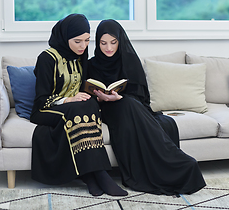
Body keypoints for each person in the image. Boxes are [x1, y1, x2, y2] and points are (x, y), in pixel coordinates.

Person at [87, 19, 206, 195]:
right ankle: (175, 162)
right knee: (128, 105)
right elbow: (88, 93)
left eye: (113, 43)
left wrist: (119, 97)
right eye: (103, 43)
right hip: (107, 110)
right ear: (98, 43)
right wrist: (101, 98)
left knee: (132, 105)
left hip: (129, 106)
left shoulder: (129, 60)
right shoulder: (91, 64)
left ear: (120, 41)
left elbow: (141, 95)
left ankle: (176, 163)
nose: (108, 48)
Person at [30, 14, 127, 197]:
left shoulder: (80, 56)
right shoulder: (47, 58)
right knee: (77, 108)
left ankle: (90, 174)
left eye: (87, 41)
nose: (83, 46)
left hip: (74, 108)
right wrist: (68, 100)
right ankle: (97, 174)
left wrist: (99, 95)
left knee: (89, 104)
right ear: (65, 38)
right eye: (77, 41)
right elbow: (41, 99)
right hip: (46, 109)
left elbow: (82, 87)